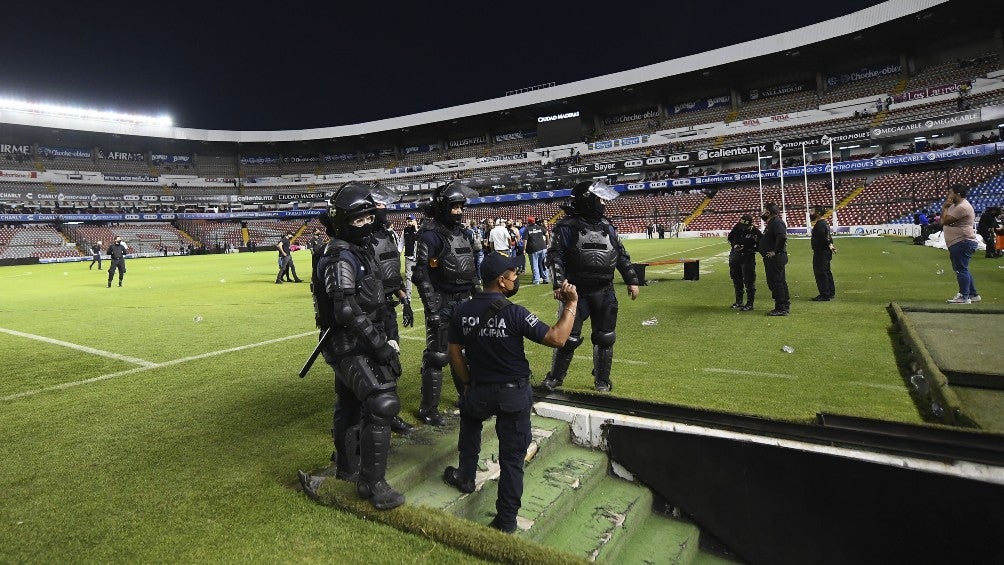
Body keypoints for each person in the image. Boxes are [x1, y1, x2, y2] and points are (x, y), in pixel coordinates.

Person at [443, 252, 578, 533]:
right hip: (512, 395)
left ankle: (466, 476)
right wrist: (571, 306)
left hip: (479, 391)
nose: (516, 278)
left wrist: (467, 382)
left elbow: (454, 353)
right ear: (501, 281)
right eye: (513, 274)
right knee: (512, 460)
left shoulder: (462, 310)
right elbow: (558, 338)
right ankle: (505, 521)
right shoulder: (515, 312)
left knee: (470, 422)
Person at [311, 181, 405, 510]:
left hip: (360, 338)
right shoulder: (340, 255)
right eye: (358, 221)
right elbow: (346, 309)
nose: (366, 226)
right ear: (342, 222)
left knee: (349, 405)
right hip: (348, 343)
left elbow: (377, 299)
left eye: (369, 219)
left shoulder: (358, 250)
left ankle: (347, 469)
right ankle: (371, 483)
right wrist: (380, 345)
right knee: (381, 401)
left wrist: (388, 335)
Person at [542, 180, 640, 393]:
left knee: (605, 337)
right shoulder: (566, 226)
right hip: (575, 292)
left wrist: (632, 280)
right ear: (588, 200)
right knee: (568, 338)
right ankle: (556, 377)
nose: (604, 203)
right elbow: (554, 256)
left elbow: (621, 255)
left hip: (605, 291)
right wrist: (558, 284)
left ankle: (602, 380)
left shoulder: (608, 226)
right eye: (599, 199)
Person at [413, 180, 479, 425]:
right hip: (441, 302)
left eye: (461, 206)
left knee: (464, 353)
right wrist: (431, 308)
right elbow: (421, 274)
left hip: (465, 301)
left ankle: (467, 397)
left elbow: (473, 270)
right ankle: (428, 409)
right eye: (454, 207)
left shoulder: (465, 234)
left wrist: (479, 296)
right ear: (443, 207)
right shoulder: (430, 236)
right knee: (437, 356)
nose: (459, 211)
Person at [367, 185, 415, 435]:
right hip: (368, 311)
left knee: (392, 361)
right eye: (379, 207)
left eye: (386, 207)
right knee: (371, 364)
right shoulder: (359, 241)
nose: (384, 211)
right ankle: (366, 418)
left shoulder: (386, 237)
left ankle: (390, 414)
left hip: (388, 307)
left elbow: (391, 273)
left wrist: (403, 297)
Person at [942, 185, 981, 304]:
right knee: (963, 268)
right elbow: (943, 220)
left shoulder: (962, 207)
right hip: (959, 241)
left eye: (950, 192)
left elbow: (943, 221)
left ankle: (964, 296)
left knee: (961, 269)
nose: (948, 195)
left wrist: (944, 208)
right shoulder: (955, 206)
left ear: (957, 194)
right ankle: (973, 294)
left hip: (962, 241)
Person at [757, 203, 790, 316]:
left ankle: (781, 307)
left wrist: (775, 252)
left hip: (775, 258)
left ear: (768, 212)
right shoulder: (772, 223)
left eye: (764, 211)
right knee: (778, 282)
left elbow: (782, 237)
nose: (762, 213)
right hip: (773, 258)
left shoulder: (776, 222)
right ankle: (784, 305)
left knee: (776, 282)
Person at [727, 215, 761, 311]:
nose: (742, 228)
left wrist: (748, 248)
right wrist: (735, 245)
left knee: (749, 281)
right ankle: (739, 302)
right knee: (736, 279)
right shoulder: (737, 227)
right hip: (735, 257)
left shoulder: (755, 232)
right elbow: (730, 238)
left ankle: (750, 304)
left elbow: (760, 245)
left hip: (748, 257)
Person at [810, 206, 837, 301]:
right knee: (827, 271)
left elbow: (823, 236)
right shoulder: (824, 223)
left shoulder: (820, 224)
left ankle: (824, 294)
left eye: (812, 211)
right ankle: (830, 292)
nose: (810, 213)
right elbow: (827, 236)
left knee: (821, 272)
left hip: (821, 252)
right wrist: (830, 244)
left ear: (818, 213)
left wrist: (828, 244)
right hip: (825, 251)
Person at [522, 216, 549, 285]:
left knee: (534, 265)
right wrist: (547, 243)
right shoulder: (540, 227)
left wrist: (524, 249)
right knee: (543, 264)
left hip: (532, 249)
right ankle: (545, 278)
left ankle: (536, 280)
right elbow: (547, 234)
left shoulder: (527, 229)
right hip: (543, 247)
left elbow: (525, 240)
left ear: (528, 222)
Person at [401, 215, 419, 301]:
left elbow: (420, 239)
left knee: (420, 276)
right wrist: (398, 253)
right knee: (408, 277)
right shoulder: (405, 230)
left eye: (411, 220)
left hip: (418, 258)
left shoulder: (419, 230)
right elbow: (401, 243)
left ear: (415, 221)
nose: (409, 222)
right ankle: (408, 297)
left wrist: (416, 228)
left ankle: (422, 294)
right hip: (408, 257)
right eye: (408, 220)